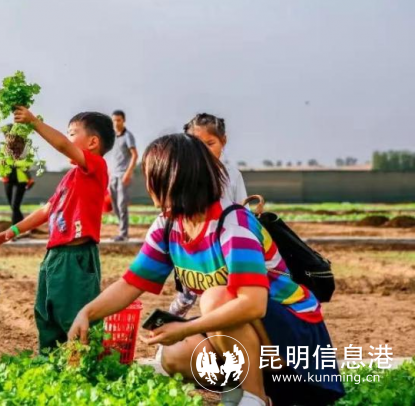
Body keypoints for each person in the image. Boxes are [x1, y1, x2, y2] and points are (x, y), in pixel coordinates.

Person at [68, 134, 345, 406]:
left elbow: (254, 304)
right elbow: (131, 283)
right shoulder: (168, 225)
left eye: (151, 174)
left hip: (294, 340)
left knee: (215, 298)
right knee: (175, 354)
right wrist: (87, 314)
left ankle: (255, 398)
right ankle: (253, 390)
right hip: (254, 338)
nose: (148, 183)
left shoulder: (232, 224)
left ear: (171, 178)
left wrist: (186, 328)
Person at [0, 107, 115, 351]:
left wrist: (34, 122)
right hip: (54, 256)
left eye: (72, 133)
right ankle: (50, 361)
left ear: (92, 142)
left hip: (76, 257)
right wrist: (11, 232)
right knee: (47, 313)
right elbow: (47, 210)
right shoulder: (70, 177)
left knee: (75, 315)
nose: (67, 139)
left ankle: (85, 362)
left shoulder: (96, 167)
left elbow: (63, 146)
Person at [169, 113, 247, 317]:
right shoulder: (184, 174)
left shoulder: (231, 175)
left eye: (210, 144)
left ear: (223, 141)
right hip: (193, 248)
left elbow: (242, 211)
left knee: (224, 294)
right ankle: (167, 329)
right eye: (196, 145)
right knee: (185, 296)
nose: (203, 151)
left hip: (223, 248)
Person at [105, 110, 138, 241]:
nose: (116, 123)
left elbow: (135, 155)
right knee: (114, 205)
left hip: (123, 174)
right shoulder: (112, 137)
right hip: (112, 175)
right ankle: (121, 229)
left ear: (123, 121)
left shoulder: (128, 136)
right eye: (114, 120)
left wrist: (128, 172)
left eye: (118, 120)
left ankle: (123, 234)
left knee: (121, 204)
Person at [1, 161, 34, 226]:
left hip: (22, 180)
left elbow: (27, 163)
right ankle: (22, 224)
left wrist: (13, 163)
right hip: (8, 179)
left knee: (15, 206)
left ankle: (16, 225)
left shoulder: (23, 155)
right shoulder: (4, 155)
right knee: (12, 205)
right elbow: (0, 162)